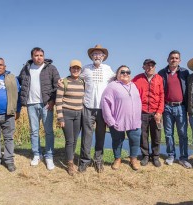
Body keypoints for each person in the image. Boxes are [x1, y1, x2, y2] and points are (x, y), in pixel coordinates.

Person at [18, 47, 60, 170]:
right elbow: (20, 82)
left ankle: (49, 156)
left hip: (46, 104)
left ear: (44, 56)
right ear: (32, 56)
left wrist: (52, 101)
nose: (39, 57)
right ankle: (37, 155)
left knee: (49, 131)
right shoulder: (26, 68)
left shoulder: (51, 68)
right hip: (31, 104)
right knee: (34, 131)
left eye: (41, 55)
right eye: (36, 55)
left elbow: (57, 85)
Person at [78, 44, 115, 173]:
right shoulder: (85, 69)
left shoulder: (108, 69)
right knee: (87, 135)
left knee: (101, 135)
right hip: (88, 106)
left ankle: (98, 160)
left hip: (103, 108)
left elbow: (118, 79)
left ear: (103, 56)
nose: (97, 56)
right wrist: (63, 81)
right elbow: (75, 78)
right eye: (94, 54)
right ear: (91, 56)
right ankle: (84, 161)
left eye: (99, 54)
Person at [101, 65, 142, 171]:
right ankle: (117, 159)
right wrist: (110, 120)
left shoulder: (133, 86)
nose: (125, 74)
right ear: (117, 74)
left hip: (134, 120)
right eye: (122, 72)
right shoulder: (112, 86)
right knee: (117, 140)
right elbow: (105, 103)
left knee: (135, 139)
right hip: (118, 120)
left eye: (128, 72)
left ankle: (133, 158)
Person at [158, 50, 191, 168]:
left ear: (180, 60)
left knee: (183, 134)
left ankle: (183, 157)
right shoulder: (162, 73)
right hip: (167, 107)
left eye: (176, 58)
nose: (174, 60)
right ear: (168, 59)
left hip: (181, 107)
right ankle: (171, 155)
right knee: (168, 134)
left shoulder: (185, 73)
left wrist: (188, 109)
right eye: (172, 58)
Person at [132, 59, 164, 167]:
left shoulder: (159, 79)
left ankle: (155, 156)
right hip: (142, 112)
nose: (150, 67)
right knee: (143, 135)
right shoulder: (137, 78)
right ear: (143, 67)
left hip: (156, 113)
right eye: (147, 65)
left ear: (155, 67)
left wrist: (159, 112)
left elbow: (161, 96)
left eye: (152, 65)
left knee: (156, 136)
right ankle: (145, 155)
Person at [56, 60, 84, 176]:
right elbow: (58, 100)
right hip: (67, 113)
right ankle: (70, 163)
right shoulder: (64, 82)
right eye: (73, 68)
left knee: (75, 140)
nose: (75, 70)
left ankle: (70, 157)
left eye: (78, 68)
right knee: (69, 140)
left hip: (79, 114)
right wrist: (60, 118)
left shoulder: (83, 82)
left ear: (80, 70)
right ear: (70, 69)